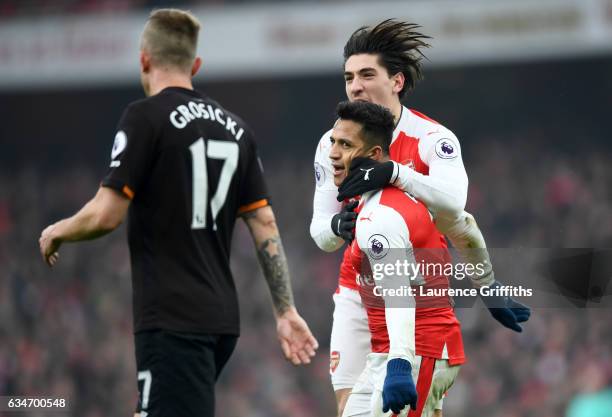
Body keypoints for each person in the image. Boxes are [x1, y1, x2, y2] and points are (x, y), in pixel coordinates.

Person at [38, 9, 318, 417]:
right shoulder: (237, 130)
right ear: (196, 65)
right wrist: (285, 310)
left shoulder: (144, 118)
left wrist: (57, 231)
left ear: (144, 60)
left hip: (173, 321)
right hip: (221, 321)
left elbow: (107, 214)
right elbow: (264, 223)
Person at [310, 19, 530, 417]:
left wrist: (397, 173)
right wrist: (334, 228)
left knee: (403, 404)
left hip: (417, 293)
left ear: (396, 81)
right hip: (357, 291)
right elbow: (321, 232)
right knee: (350, 408)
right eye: (348, 77)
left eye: (366, 75)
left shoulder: (432, 140)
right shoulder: (332, 143)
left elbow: (454, 205)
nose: (355, 86)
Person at [332, 100, 465, 417]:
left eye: (346, 145)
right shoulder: (386, 200)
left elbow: (398, 293)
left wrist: (400, 366)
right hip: (386, 354)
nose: (333, 153)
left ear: (374, 156)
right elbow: (468, 226)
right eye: (333, 142)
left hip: (418, 351)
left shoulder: (380, 217)